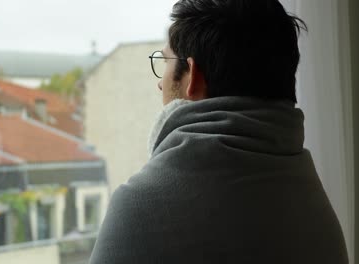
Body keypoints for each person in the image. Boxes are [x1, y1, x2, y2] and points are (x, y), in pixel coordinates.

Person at [89, 0, 348, 263]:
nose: (160, 83)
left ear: (192, 75)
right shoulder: (315, 206)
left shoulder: (139, 206)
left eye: (165, 62)